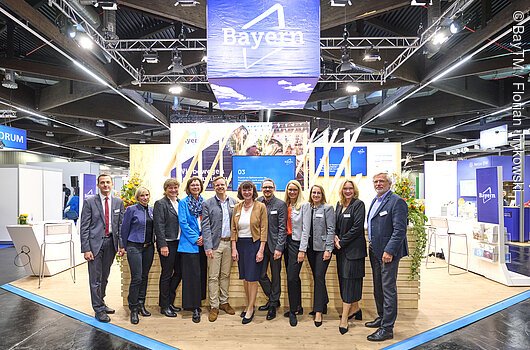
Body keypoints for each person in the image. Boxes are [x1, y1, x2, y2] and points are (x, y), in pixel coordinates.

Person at [366, 172, 408, 342]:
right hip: (375, 251)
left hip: (387, 253)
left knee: (388, 289)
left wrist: (389, 250)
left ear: (389, 184)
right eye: (375, 181)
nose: (378, 184)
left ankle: (387, 328)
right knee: (378, 287)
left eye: (381, 181)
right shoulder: (376, 200)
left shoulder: (396, 201)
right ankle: (382, 317)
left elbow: (400, 230)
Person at [80, 174, 124, 323]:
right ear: (98, 185)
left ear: (112, 184)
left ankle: (101, 302)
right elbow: (84, 227)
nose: (105, 185)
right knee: (95, 279)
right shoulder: (90, 202)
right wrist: (86, 249)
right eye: (102, 183)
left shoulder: (118, 202)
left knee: (104, 277)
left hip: (111, 243)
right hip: (94, 246)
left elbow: (120, 226)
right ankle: (98, 309)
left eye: (108, 182)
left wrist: (121, 245)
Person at [231, 181, 268, 325]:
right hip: (241, 245)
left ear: (253, 191)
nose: (247, 192)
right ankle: (249, 304)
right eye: (244, 190)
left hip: (255, 245)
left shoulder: (260, 207)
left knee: (252, 279)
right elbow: (233, 229)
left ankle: (251, 308)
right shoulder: (237, 207)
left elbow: (264, 229)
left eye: (249, 190)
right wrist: (234, 248)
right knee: (246, 278)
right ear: (241, 192)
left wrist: (261, 250)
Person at [202, 176, 237, 322]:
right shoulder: (208, 203)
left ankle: (224, 302)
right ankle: (214, 306)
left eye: (222, 184)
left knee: (225, 275)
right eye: (217, 185)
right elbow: (205, 226)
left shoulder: (234, 203)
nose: (220, 187)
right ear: (214, 187)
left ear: (227, 185)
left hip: (229, 243)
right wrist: (208, 246)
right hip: (215, 245)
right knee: (213, 276)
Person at [299, 184, 335, 327]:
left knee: (319, 277)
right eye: (314, 192)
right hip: (310, 249)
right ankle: (323, 302)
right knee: (317, 277)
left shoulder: (327, 208)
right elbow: (304, 229)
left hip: (322, 249)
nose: (316, 195)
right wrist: (302, 249)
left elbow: (331, 229)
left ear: (322, 194)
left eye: (318, 193)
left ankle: (318, 311)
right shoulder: (306, 207)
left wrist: (329, 249)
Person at [334, 180, 366, 335]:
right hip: (341, 251)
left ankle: (344, 319)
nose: (348, 191)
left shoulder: (358, 205)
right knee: (344, 280)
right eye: (345, 188)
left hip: (353, 251)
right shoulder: (339, 205)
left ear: (354, 190)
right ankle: (356, 309)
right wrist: (334, 238)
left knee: (349, 282)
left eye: (350, 188)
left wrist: (342, 242)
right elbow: (335, 225)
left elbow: (357, 228)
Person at [120, 186, 155, 325]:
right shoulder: (131, 210)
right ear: (137, 197)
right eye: (142, 196)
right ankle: (133, 308)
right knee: (137, 278)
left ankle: (141, 303)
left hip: (149, 247)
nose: (145, 197)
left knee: (144, 276)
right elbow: (124, 229)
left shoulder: (152, 210)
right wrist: (123, 246)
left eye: (147, 195)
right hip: (134, 246)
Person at [178, 176, 207, 323]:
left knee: (201, 275)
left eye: (197, 185)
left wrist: (204, 237)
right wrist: (196, 238)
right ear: (188, 187)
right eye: (192, 185)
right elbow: (183, 223)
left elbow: (207, 222)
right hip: (190, 244)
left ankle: (199, 302)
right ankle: (194, 307)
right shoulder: (183, 203)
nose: (195, 187)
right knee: (192, 277)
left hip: (204, 244)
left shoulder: (204, 202)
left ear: (201, 187)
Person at [257, 178, 287, 320]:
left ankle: (273, 305)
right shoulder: (257, 202)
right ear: (261, 188)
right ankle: (273, 298)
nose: (267, 189)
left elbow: (282, 228)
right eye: (265, 187)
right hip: (260, 247)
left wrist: (279, 248)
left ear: (274, 188)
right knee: (261, 275)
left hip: (275, 247)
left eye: (270, 187)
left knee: (276, 276)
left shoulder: (280, 205)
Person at [154, 178, 182, 317]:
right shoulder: (160, 204)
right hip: (167, 243)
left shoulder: (179, 202)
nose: (173, 190)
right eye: (170, 188)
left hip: (179, 243)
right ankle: (164, 306)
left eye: (175, 187)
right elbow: (158, 226)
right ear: (165, 189)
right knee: (166, 274)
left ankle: (170, 301)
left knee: (179, 272)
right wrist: (163, 244)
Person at [283, 180, 305, 327]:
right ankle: (298, 306)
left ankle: (292, 311)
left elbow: (306, 229)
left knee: (292, 277)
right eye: (290, 190)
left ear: (299, 191)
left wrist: (302, 249)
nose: (292, 192)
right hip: (285, 242)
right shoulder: (284, 206)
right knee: (293, 277)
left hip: (297, 244)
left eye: (295, 190)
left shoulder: (304, 206)